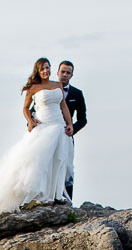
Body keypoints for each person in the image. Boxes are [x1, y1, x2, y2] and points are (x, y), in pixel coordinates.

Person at [0, 58, 74, 220]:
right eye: (42, 69)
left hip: (58, 125)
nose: (46, 71)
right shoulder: (33, 88)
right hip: (44, 125)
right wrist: (30, 120)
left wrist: (69, 124)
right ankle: (41, 195)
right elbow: (25, 108)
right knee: (40, 160)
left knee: (58, 159)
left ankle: (55, 195)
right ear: (38, 71)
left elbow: (64, 106)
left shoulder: (57, 85)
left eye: (47, 68)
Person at [58, 60, 86, 200]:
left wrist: (72, 129)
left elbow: (83, 119)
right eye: (62, 72)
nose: (65, 75)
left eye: (68, 73)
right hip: (49, 134)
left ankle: (68, 200)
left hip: (67, 136)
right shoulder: (48, 90)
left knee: (68, 168)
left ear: (71, 75)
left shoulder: (77, 94)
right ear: (57, 72)